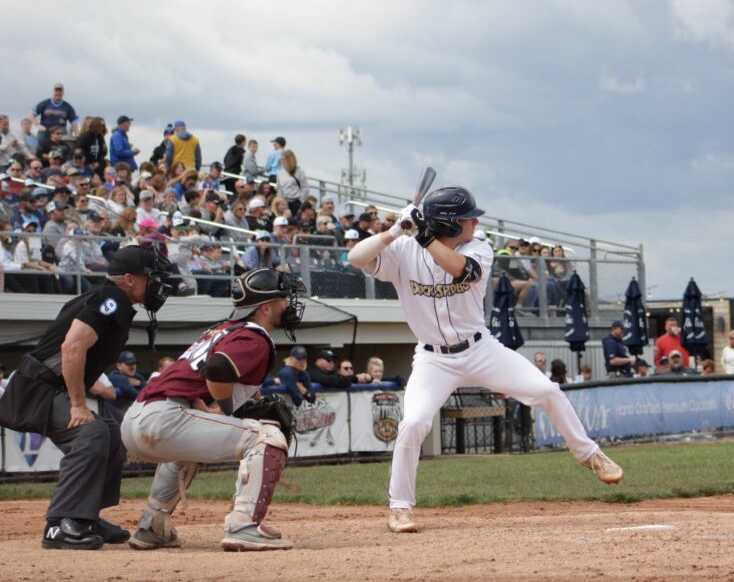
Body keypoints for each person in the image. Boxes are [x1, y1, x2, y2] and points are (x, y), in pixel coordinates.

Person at [347, 185, 621, 533]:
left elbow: (463, 271)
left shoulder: (478, 247)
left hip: (480, 349)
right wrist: (394, 231)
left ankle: (589, 454)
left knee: (547, 391)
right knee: (413, 423)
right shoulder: (403, 249)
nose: (474, 224)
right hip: (433, 359)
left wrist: (425, 237)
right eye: (467, 219)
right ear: (449, 223)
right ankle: (400, 507)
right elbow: (355, 258)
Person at [120, 268, 306, 552]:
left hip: (139, 417)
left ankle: (152, 526)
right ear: (266, 307)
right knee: (267, 437)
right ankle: (244, 526)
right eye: (283, 299)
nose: (289, 304)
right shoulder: (253, 336)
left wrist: (218, 407)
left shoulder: (223, 329)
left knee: (186, 454)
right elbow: (218, 368)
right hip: (165, 417)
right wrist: (225, 410)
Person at [0, 244, 171, 550]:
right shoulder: (110, 297)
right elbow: (72, 347)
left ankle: (85, 516)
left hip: (46, 386)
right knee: (89, 433)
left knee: (107, 432)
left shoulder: (110, 298)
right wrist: (78, 405)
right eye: (151, 277)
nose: (158, 284)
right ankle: (60, 524)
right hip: (36, 389)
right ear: (130, 279)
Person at [104, 351, 145, 423]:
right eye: (129, 364)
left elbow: (150, 387)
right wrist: (141, 386)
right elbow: (137, 395)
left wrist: (139, 383)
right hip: (114, 420)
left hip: (126, 417)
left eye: (134, 364)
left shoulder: (137, 377)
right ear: (119, 365)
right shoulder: (115, 377)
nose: (133, 367)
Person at [276, 150, 310, 215]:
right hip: (285, 202)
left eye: (284, 159)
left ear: (290, 160)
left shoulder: (299, 171)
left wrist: (300, 201)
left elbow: (305, 187)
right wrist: (280, 200)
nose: (282, 161)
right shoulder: (280, 172)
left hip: (296, 201)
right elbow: (279, 188)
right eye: (281, 159)